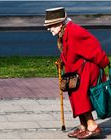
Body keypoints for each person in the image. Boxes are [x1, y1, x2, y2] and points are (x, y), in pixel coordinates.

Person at [44, 7, 110, 139]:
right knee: (74, 95)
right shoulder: (65, 32)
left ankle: (92, 126)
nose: (49, 29)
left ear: (60, 24)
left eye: (51, 26)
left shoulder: (74, 31)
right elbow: (70, 51)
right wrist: (62, 60)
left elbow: (93, 47)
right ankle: (83, 126)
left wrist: (104, 62)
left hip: (87, 69)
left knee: (80, 96)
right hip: (76, 71)